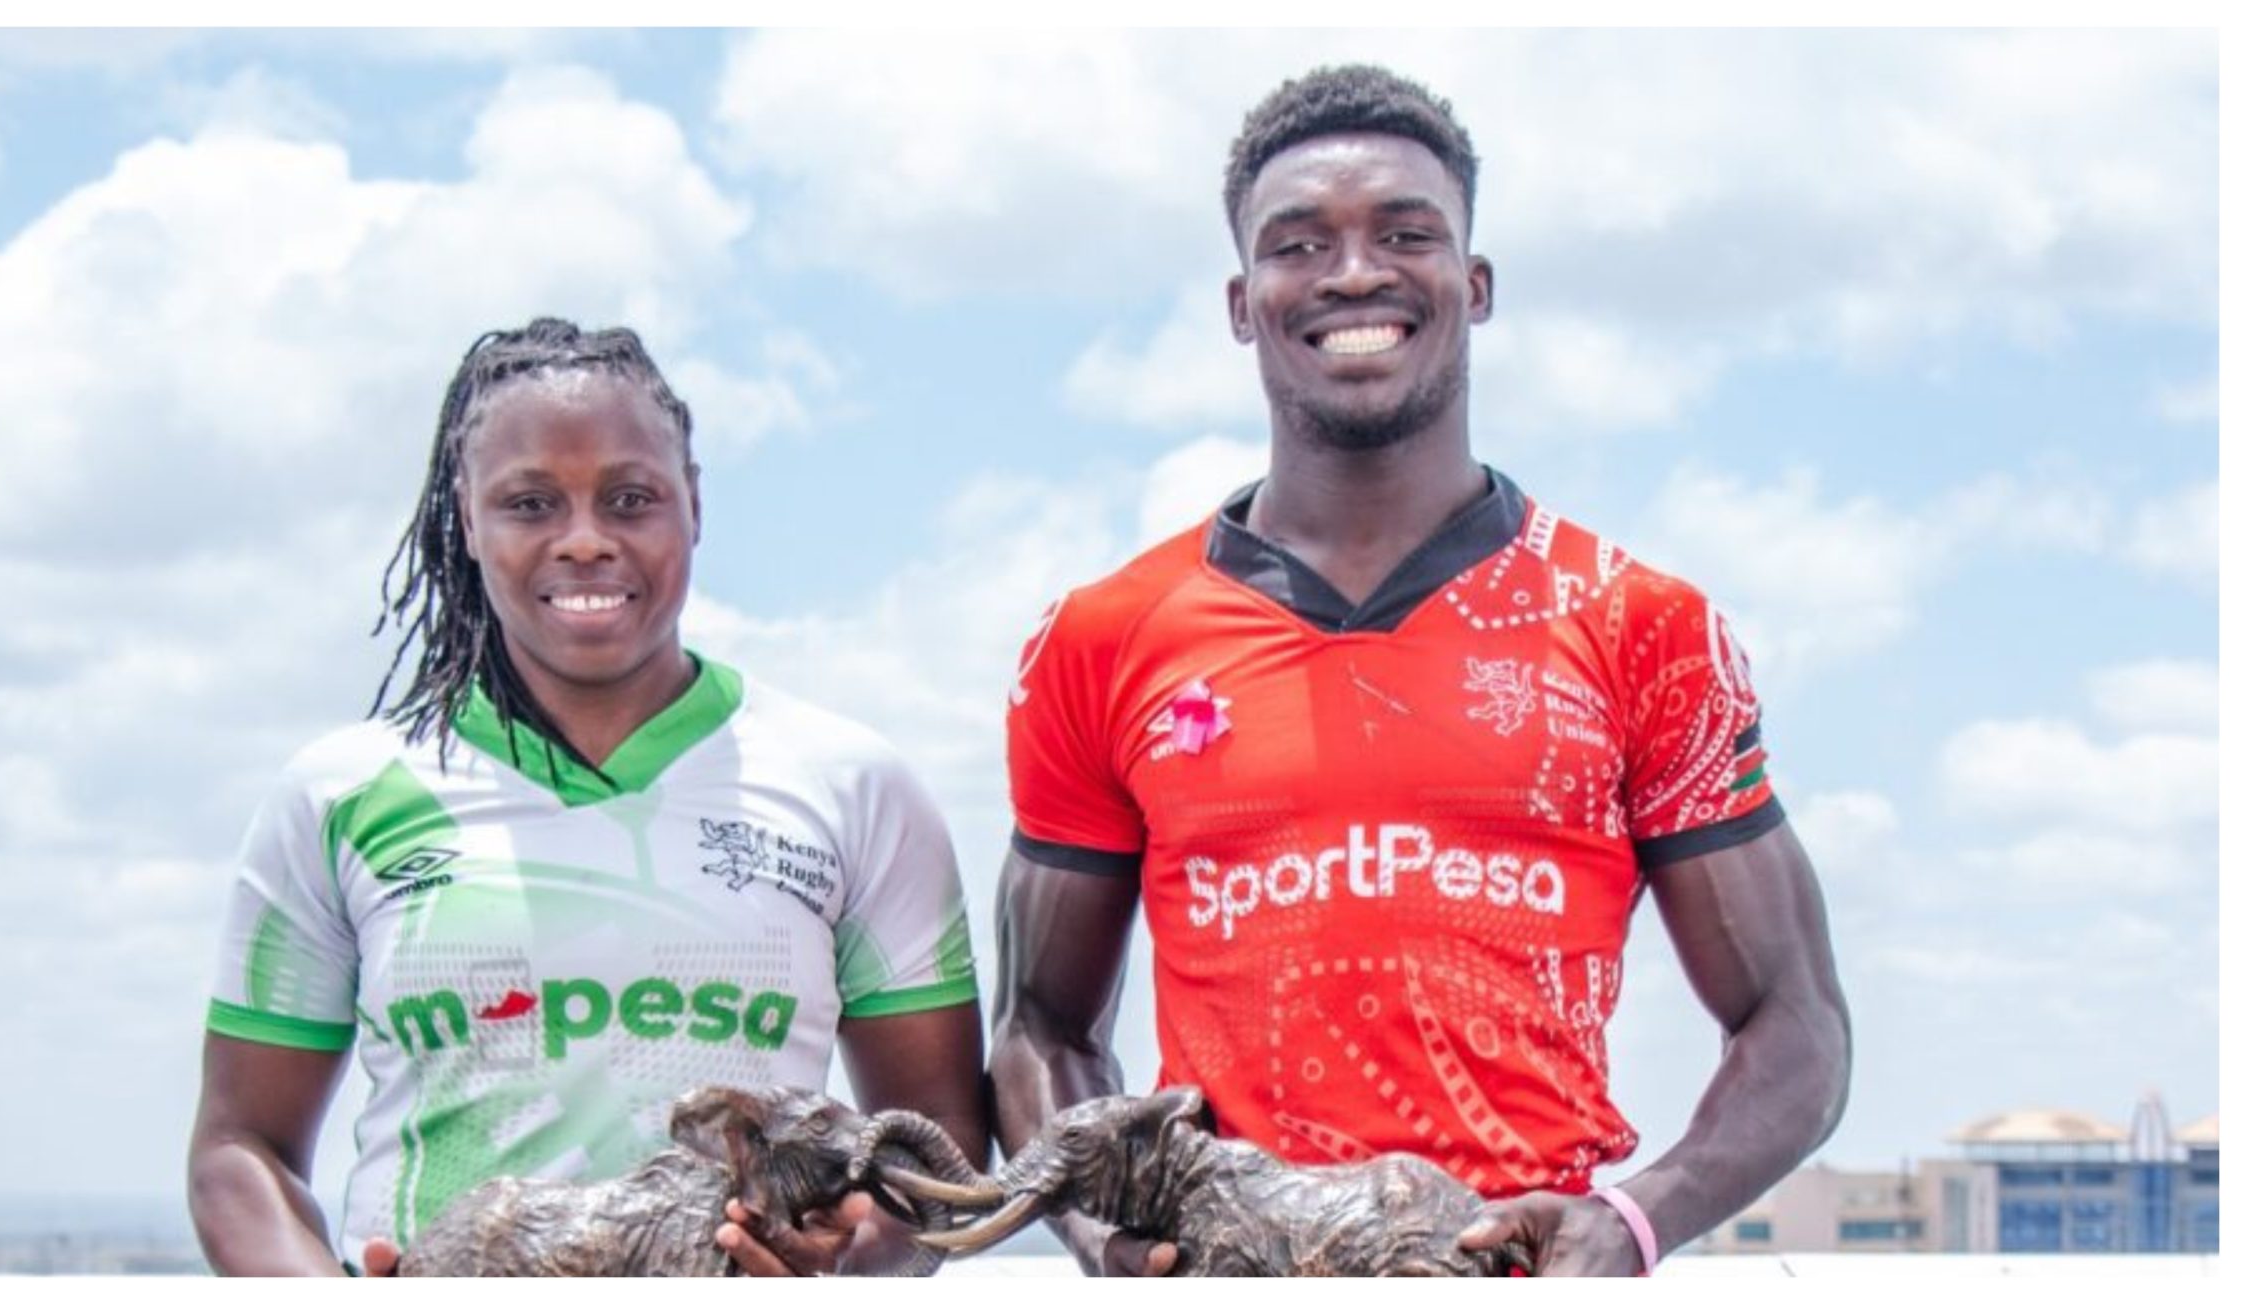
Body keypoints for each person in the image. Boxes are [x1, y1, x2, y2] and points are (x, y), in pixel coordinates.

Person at [989, 66, 1851, 1277]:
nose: (1352, 273)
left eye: (1404, 233)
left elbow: (1797, 1022)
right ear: (1244, 304)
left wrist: (1637, 1214)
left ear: (1474, 285)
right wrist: (1099, 1231)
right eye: (1300, 245)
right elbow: (1039, 1023)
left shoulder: (1637, 622)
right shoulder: (1103, 635)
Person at [187, 319, 986, 1276]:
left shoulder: (854, 786)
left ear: (692, 502)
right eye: (529, 503)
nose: (585, 541)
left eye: (630, 498)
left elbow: (940, 1150)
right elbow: (240, 1152)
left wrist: (859, 1249)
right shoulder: (343, 795)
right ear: (468, 518)